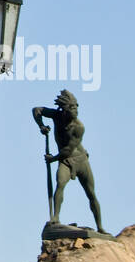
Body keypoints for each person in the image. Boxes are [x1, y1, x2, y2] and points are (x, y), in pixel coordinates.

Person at [32, 90, 107, 233]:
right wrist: (41, 125)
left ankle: (100, 227)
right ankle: (55, 218)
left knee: (91, 193)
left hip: (80, 160)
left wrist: (52, 159)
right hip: (65, 161)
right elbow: (37, 110)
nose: (75, 110)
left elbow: (68, 149)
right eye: (72, 107)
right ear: (64, 109)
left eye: (76, 107)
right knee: (60, 184)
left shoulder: (79, 127)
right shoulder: (57, 116)